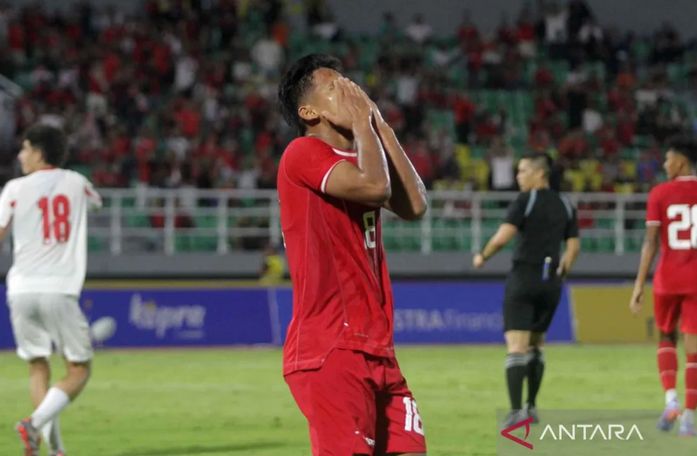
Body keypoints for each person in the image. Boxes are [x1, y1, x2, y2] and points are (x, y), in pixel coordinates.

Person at [277, 53, 429, 455]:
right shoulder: (302, 154)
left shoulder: (364, 157)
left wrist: (380, 126)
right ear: (308, 111)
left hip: (378, 348)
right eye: (334, 87)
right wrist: (363, 123)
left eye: (348, 81)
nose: (350, 91)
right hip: (330, 350)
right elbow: (375, 190)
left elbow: (414, 206)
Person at [2, 124, 102, 456]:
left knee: (37, 366)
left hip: (20, 289)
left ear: (40, 152)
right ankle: (34, 424)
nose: (20, 155)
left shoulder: (13, 189)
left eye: (25, 148)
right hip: (58, 288)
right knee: (79, 369)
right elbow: (96, 204)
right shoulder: (77, 182)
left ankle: (56, 449)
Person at [473, 153, 580, 427]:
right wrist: (562, 271)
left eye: (522, 171)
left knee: (516, 347)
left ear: (539, 174)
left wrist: (483, 256)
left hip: (524, 276)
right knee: (537, 345)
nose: (518, 177)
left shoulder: (525, 200)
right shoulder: (566, 204)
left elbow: (504, 236)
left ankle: (515, 412)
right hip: (551, 282)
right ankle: (532, 407)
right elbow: (573, 247)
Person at [630, 135, 697, 437]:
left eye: (668, 159)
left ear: (681, 161)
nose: (664, 164)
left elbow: (650, 243)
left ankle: (671, 400)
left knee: (666, 337)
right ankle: (690, 418)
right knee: (694, 351)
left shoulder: (659, 193)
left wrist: (638, 284)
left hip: (667, 279)